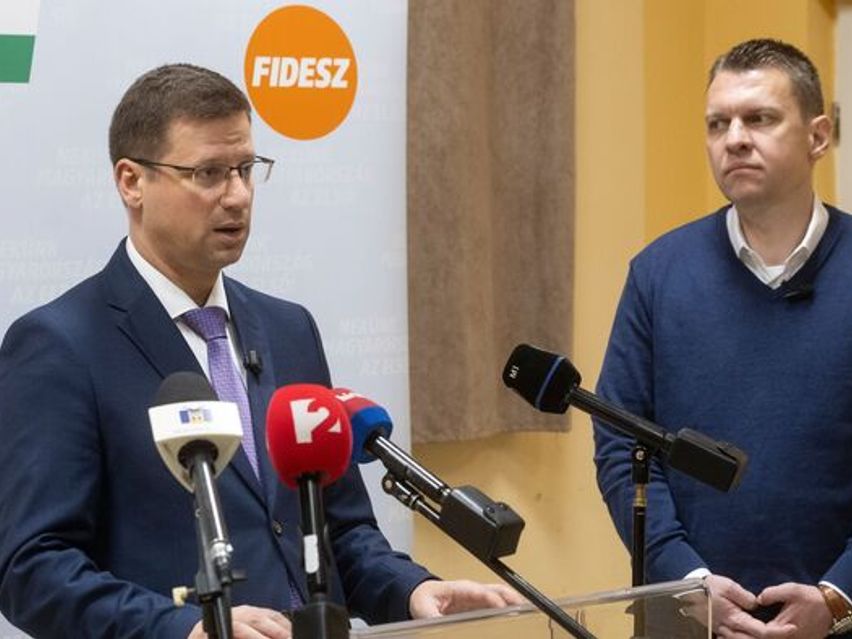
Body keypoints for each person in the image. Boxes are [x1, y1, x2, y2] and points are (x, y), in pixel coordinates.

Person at [0, 63, 519, 639]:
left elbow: (338, 529)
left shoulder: (288, 329)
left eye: (246, 169)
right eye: (208, 174)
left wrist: (411, 588)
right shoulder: (61, 345)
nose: (238, 196)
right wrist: (185, 628)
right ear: (131, 182)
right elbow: (33, 569)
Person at [593, 39, 852, 638]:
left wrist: (839, 596)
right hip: (690, 620)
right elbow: (620, 445)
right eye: (718, 124)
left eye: (759, 118)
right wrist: (686, 580)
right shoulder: (658, 274)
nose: (734, 138)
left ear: (817, 137)